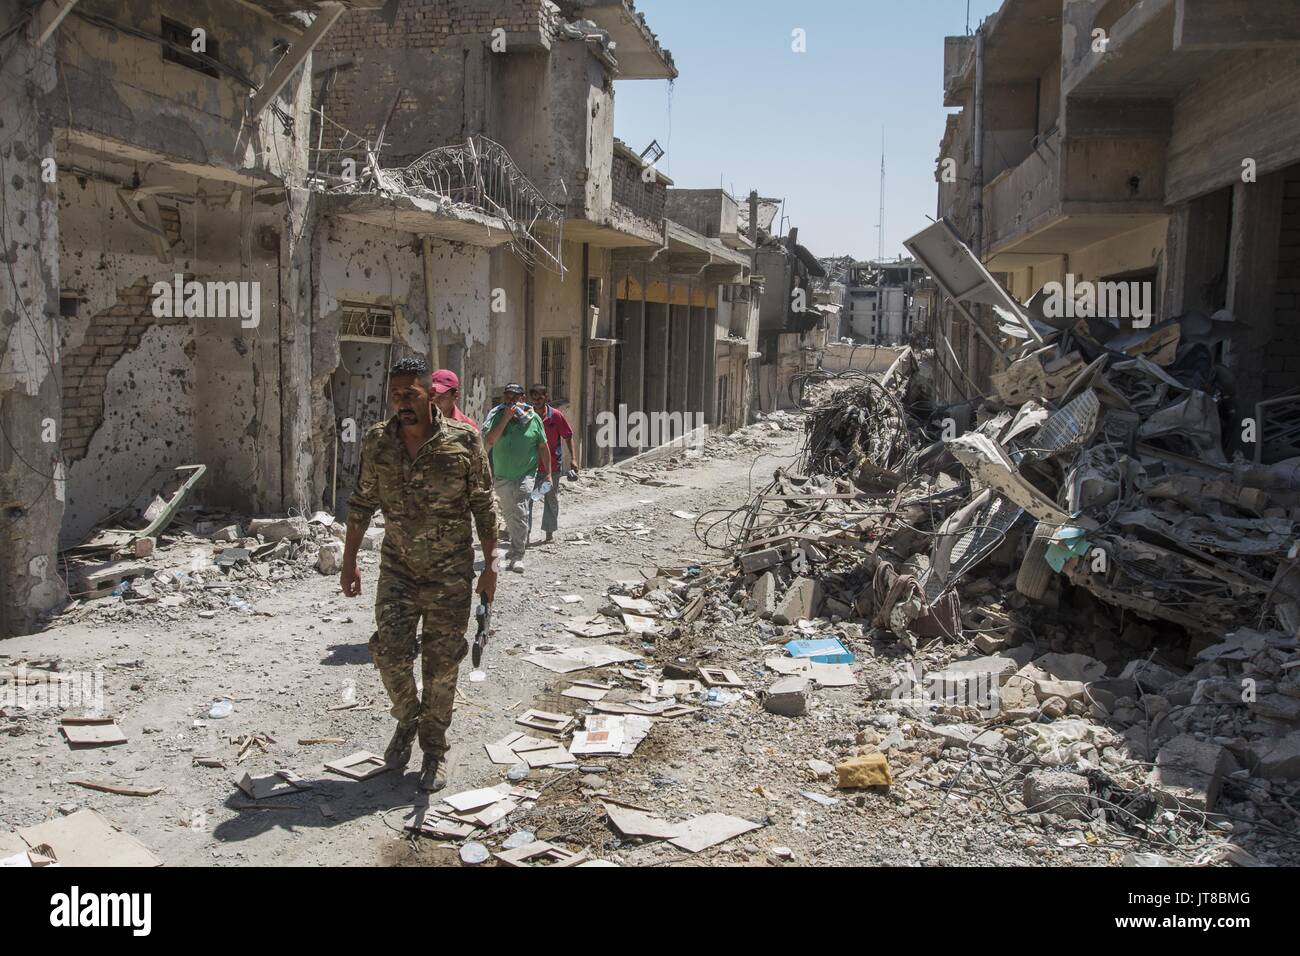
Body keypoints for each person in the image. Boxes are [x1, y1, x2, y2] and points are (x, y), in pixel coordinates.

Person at [340, 356, 498, 792]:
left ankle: (433, 749)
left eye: (411, 394)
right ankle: (409, 719)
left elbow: (483, 505)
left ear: (433, 395)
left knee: (441, 665)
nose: (402, 403)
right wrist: (349, 560)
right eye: (395, 395)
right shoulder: (378, 442)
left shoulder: (464, 440)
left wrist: (491, 567)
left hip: (451, 574)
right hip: (398, 569)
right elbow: (360, 503)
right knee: (388, 653)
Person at [481, 383, 551, 573]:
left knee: (520, 511)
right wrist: (506, 418)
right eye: (508, 396)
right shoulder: (496, 416)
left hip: (525, 474)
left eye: (515, 397)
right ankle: (513, 551)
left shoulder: (533, 419)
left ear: (522, 398)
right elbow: (489, 441)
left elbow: (543, 446)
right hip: (502, 475)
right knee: (510, 514)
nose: (511, 400)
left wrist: (549, 473)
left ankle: (518, 554)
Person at [528, 383, 577, 544]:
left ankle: (549, 534)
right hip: (529, 468)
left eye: (540, 397)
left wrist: (574, 459)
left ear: (546, 397)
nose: (537, 400)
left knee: (550, 499)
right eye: (534, 397)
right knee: (527, 500)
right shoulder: (526, 416)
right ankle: (524, 535)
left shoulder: (555, 416)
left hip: (552, 468)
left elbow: (568, 436)